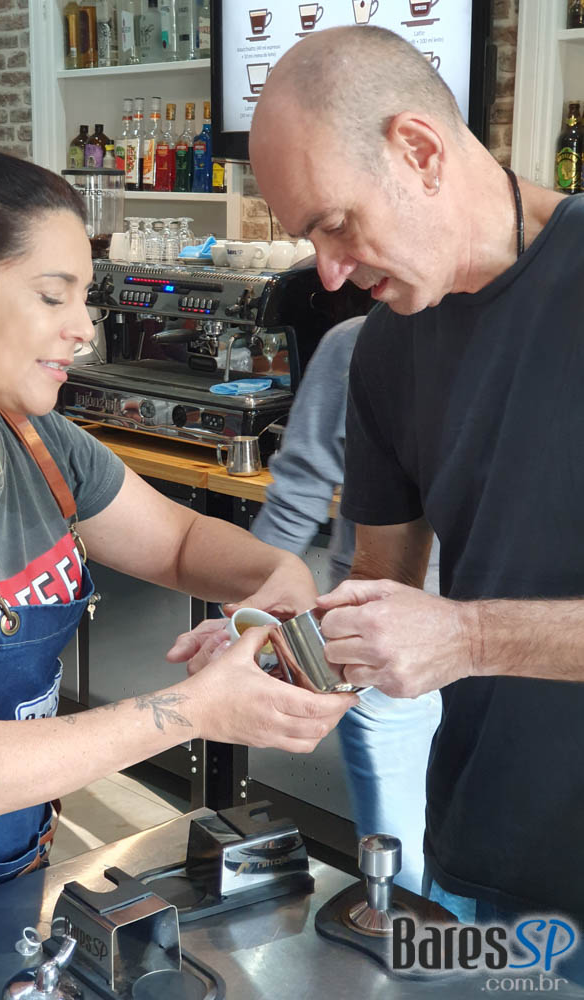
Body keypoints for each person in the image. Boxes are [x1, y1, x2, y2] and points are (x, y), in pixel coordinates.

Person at [0, 110, 357, 882]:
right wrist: (193, 709)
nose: (83, 329)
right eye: (55, 297)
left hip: (10, 863)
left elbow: (180, 543)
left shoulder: (37, 441)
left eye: (85, 297)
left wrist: (276, 578)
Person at [249, 25, 584, 932]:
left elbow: (457, 634)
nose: (329, 272)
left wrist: (469, 636)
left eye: (335, 224)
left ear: (421, 152)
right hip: (480, 849)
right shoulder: (385, 347)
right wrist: (285, 650)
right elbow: (380, 583)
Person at [251, 314, 442, 895]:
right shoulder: (363, 340)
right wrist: (248, 625)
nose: (334, 277)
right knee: (401, 872)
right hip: (380, 652)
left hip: (514, 664)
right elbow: (299, 490)